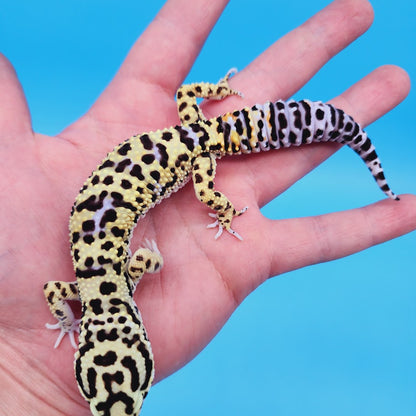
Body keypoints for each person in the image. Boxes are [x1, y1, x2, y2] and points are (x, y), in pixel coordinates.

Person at [0, 0, 415, 414]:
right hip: (188, 135)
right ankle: (304, 121)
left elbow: (147, 261)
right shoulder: (80, 292)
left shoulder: (121, 283)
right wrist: (68, 324)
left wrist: (169, 252)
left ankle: (267, 181)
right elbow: (56, 291)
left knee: (207, 196)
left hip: (191, 155)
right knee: (191, 101)